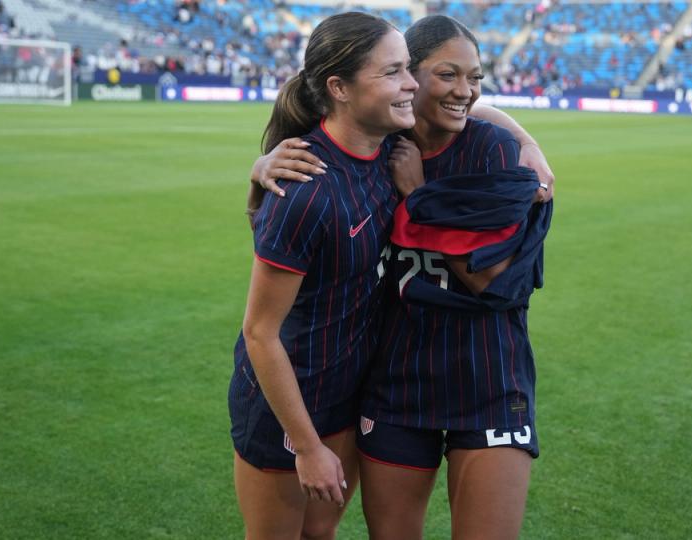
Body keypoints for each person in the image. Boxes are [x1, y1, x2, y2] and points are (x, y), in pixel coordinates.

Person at [251, 15, 555, 539]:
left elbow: (494, 282)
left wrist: (421, 200)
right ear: (405, 77)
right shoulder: (379, 148)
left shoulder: (492, 151)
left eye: (476, 77)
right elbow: (321, 165)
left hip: (489, 377)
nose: (464, 90)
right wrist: (259, 167)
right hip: (397, 383)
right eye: (445, 75)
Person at [228, 12, 418, 540]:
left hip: (348, 396)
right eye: (394, 71)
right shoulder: (305, 189)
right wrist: (307, 447)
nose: (412, 83)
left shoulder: (390, 154)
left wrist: (528, 144)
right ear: (339, 87)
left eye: (409, 68)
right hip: (284, 408)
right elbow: (260, 332)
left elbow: (468, 99)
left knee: (320, 534)